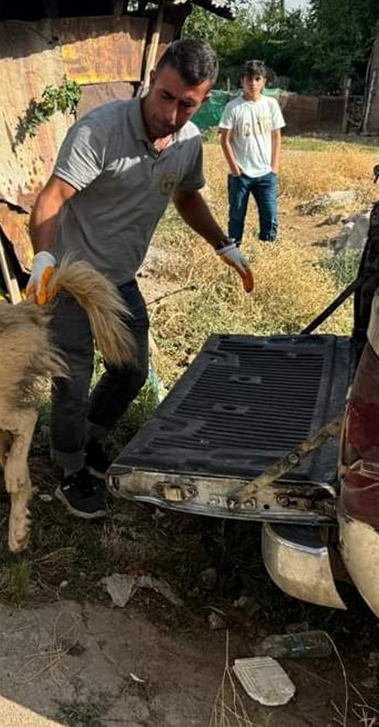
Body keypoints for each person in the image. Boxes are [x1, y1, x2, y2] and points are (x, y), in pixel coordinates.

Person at [26, 39, 254, 519]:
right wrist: (44, 258)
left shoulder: (188, 142)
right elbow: (50, 199)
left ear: (204, 100)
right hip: (70, 277)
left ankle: (86, 440)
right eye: (166, 97)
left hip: (120, 279)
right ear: (153, 80)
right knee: (72, 379)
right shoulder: (99, 131)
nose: (171, 114)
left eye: (187, 104)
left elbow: (187, 198)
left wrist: (223, 244)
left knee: (130, 372)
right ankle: (68, 470)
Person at [218, 59, 286, 244]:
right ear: (242, 81)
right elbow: (225, 139)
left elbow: (276, 136)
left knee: (270, 216)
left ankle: (267, 251)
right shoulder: (233, 107)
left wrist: (274, 168)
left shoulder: (271, 105)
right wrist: (235, 169)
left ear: (264, 81)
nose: (253, 83)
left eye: (257, 79)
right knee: (237, 217)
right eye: (249, 79)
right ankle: (234, 252)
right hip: (241, 174)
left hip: (266, 174)